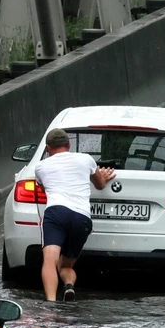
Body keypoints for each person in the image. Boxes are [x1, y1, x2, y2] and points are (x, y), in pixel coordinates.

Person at [34, 128, 116, 302]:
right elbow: (100, 185)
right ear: (69, 145)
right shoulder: (86, 159)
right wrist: (104, 177)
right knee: (66, 265)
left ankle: (51, 302)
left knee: (50, 260)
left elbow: (44, 188)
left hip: (56, 213)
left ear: (48, 148)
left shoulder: (41, 167)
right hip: (81, 217)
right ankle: (69, 286)